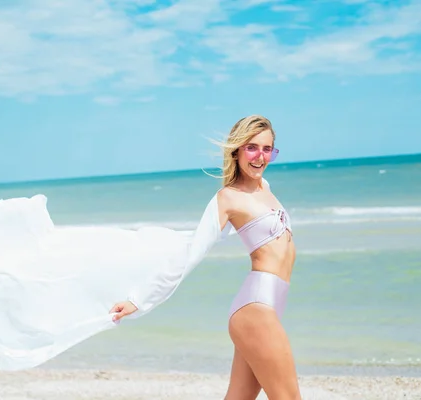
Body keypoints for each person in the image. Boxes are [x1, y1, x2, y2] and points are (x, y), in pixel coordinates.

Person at [110, 115, 301, 399]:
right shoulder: (228, 198)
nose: (260, 156)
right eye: (251, 147)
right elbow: (192, 252)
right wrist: (138, 299)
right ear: (236, 151)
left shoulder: (265, 188)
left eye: (267, 149)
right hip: (255, 310)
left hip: (270, 307)